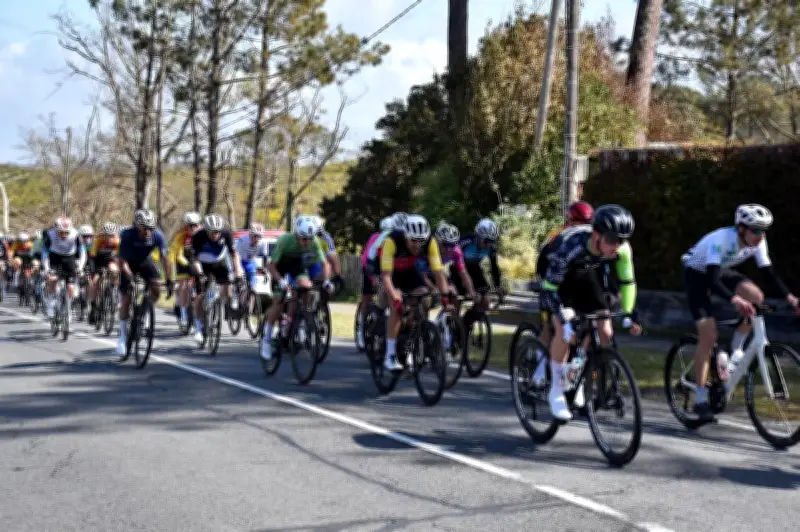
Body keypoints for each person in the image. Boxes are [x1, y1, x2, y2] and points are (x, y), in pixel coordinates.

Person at [681, 204, 800, 421]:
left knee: (756, 297)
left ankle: (735, 347)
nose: (761, 235)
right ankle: (700, 397)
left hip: (720, 271)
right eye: (756, 230)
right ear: (741, 229)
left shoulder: (758, 242)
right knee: (708, 335)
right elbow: (712, 279)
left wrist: (792, 299)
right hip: (698, 274)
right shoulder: (721, 239)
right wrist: (735, 299)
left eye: (764, 230)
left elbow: (769, 273)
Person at [540, 204, 642, 421]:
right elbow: (549, 290)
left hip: (588, 273)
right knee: (566, 331)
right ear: (596, 235)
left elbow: (627, 282)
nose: (617, 246)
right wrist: (562, 316)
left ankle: (584, 379)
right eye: (612, 240)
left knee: (604, 328)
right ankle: (556, 392)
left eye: (621, 240)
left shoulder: (620, 249)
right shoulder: (570, 247)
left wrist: (629, 312)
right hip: (559, 279)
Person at [380, 214, 449, 371]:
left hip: (410, 270)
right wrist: (395, 298)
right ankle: (389, 355)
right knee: (396, 306)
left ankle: (412, 337)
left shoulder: (430, 242)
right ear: (405, 236)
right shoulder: (392, 241)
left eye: (421, 241)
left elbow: (438, 272)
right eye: (413, 241)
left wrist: (445, 297)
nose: (417, 245)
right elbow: (386, 276)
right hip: (392, 273)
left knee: (424, 297)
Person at [261, 215, 333, 361]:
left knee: (306, 287)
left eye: (310, 239)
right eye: (304, 239)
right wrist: (280, 281)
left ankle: (298, 320)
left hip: (296, 265)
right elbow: (271, 265)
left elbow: (325, 264)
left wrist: (326, 281)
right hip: (279, 266)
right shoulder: (285, 240)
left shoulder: (314, 242)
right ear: (296, 235)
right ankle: (266, 339)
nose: (307, 242)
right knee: (279, 302)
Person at [536, 201, 595, 346]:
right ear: (570, 219)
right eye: (580, 222)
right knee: (552, 322)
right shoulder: (560, 233)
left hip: (572, 277)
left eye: (586, 222)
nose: (583, 226)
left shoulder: (590, 236)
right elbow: (545, 258)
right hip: (548, 271)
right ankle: (541, 358)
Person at [116, 209, 173, 357]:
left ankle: (145, 310)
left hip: (145, 262)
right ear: (137, 226)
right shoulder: (128, 235)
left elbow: (165, 259)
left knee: (157, 289)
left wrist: (169, 280)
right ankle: (122, 337)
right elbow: (121, 262)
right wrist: (129, 276)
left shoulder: (157, 235)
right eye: (145, 228)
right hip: (128, 264)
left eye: (151, 228)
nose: (148, 231)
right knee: (127, 298)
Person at [188, 213, 242, 344]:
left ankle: (222, 304)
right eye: (212, 232)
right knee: (200, 295)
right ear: (206, 230)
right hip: (202, 264)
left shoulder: (226, 233)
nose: (215, 235)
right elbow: (194, 258)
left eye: (217, 232)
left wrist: (238, 271)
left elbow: (234, 255)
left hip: (219, 262)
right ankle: (198, 327)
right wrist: (200, 273)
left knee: (228, 286)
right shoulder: (198, 236)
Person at [355, 213, 406, 349]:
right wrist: (374, 279)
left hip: (390, 270)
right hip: (371, 268)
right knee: (368, 297)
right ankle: (362, 328)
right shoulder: (377, 238)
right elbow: (367, 260)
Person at [41, 217, 87, 319]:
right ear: (56, 229)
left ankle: (68, 307)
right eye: (61, 232)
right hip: (54, 257)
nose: (64, 235)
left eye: (66, 232)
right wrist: (46, 268)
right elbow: (44, 254)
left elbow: (83, 253)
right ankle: (51, 303)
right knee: (52, 279)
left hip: (69, 258)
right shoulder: (50, 235)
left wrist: (80, 267)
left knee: (71, 288)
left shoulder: (76, 235)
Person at [458, 218, 504, 314]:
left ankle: (468, 322)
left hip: (475, 269)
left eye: (491, 241)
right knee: (458, 299)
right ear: (478, 236)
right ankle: (454, 320)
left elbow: (494, 268)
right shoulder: (465, 242)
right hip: (459, 269)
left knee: (485, 301)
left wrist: (498, 287)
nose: (488, 244)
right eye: (486, 241)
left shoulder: (491, 247)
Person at [168, 211, 202, 328]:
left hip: (197, 258)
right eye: (190, 225)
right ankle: (183, 314)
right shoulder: (181, 234)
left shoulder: (203, 233)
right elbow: (178, 254)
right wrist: (188, 265)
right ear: (186, 225)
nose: (193, 228)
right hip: (182, 259)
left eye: (195, 225)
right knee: (183, 286)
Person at [87, 223, 121, 325]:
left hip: (110, 260)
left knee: (114, 270)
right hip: (97, 261)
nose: (109, 237)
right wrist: (93, 271)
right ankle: (93, 308)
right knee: (95, 282)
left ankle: (112, 290)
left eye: (111, 235)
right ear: (103, 234)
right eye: (107, 235)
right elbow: (92, 257)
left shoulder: (117, 241)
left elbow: (120, 257)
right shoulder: (97, 240)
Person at [235, 222, 271, 288]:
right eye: (255, 236)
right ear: (250, 235)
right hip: (238, 261)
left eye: (260, 236)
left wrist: (265, 269)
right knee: (237, 280)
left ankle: (251, 294)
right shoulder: (242, 241)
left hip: (249, 262)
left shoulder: (263, 243)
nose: (257, 239)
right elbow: (234, 255)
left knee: (252, 285)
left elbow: (265, 257)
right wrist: (237, 269)